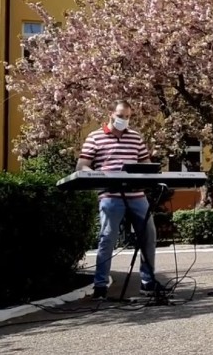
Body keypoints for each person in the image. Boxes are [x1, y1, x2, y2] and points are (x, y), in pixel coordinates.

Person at [77, 100, 169, 301]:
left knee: (148, 235)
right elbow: (82, 165)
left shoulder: (135, 138)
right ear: (110, 113)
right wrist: (98, 176)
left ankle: (148, 281)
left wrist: (149, 172)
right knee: (107, 238)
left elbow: (146, 163)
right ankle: (100, 285)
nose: (124, 120)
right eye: (120, 116)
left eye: (127, 116)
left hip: (137, 195)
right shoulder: (95, 137)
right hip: (110, 195)